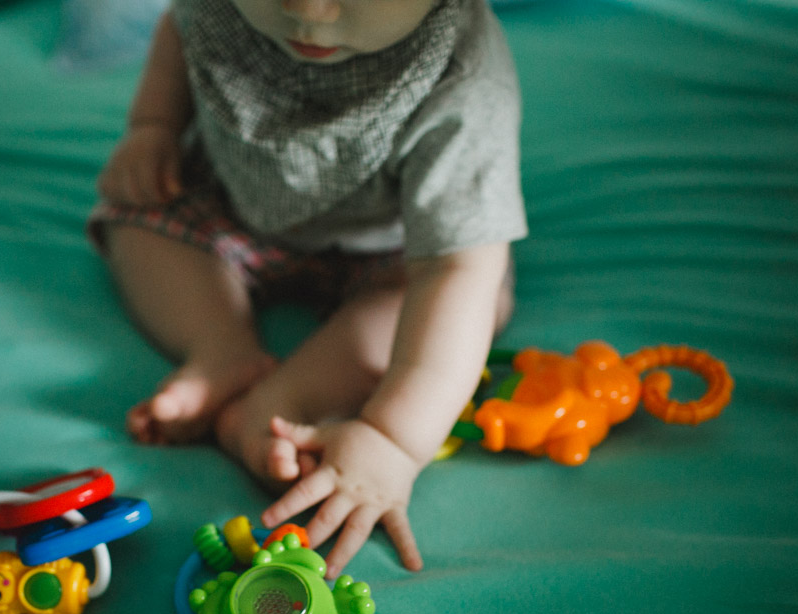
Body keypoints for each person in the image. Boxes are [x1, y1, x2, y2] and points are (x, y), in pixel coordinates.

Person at [90, 0, 527, 578]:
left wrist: (394, 438)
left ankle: (277, 407)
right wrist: (153, 128)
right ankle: (220, 349)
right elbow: (180, 31)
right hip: (231, 207)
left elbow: (454, 270)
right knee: (137, 218)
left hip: (399, 251)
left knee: (471, 298)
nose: (308, 11)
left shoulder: (465, 79)